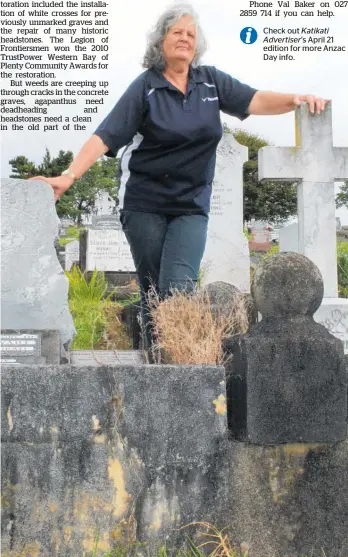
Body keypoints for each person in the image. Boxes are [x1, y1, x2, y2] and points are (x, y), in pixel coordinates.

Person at [31, 3, 328, 360]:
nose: (185, 38)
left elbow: (254, 99)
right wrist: (68, 176)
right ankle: (154, 359)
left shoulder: (211, 82)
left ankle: (173, 363)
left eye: (191, 33)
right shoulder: (146, 87)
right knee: (154, 289)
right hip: (144, 203)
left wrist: (295, 100)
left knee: (179, 285)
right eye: (177, 32)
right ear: (162, 41)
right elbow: (106, 135)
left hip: (191, 203)